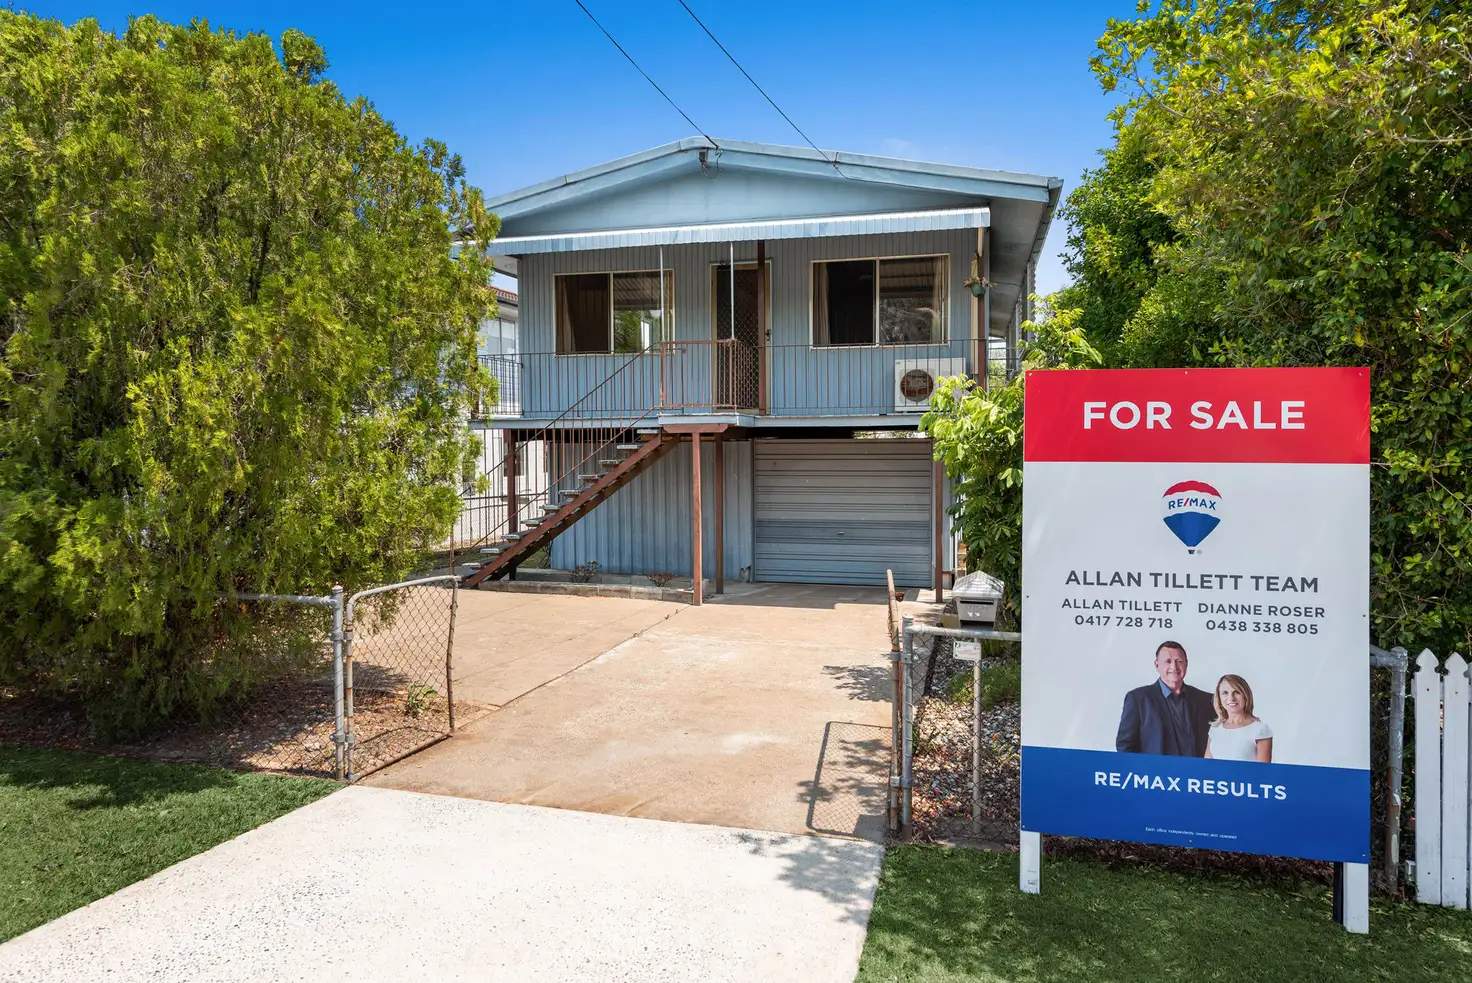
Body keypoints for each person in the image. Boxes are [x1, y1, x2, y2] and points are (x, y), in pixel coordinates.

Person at [1115, 641, 1215, 756]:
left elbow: (1219, 740)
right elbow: (1125, 747)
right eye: (1168, 661)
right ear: (1157, 665)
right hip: (1155, 768)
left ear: (1186, 664)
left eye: (1179, 661)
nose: (1174, 667)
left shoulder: (1206, 700)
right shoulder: (1138, 699)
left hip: (1197, 768)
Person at [1204, 673, 1273, 762]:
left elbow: (1263, 769)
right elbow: (1206, 766)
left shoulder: (1260, 729)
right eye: (1225, 693)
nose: (1231, 698)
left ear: (1245, 695)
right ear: (1219, 697)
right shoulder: (1215, 729)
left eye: (1236, 692)